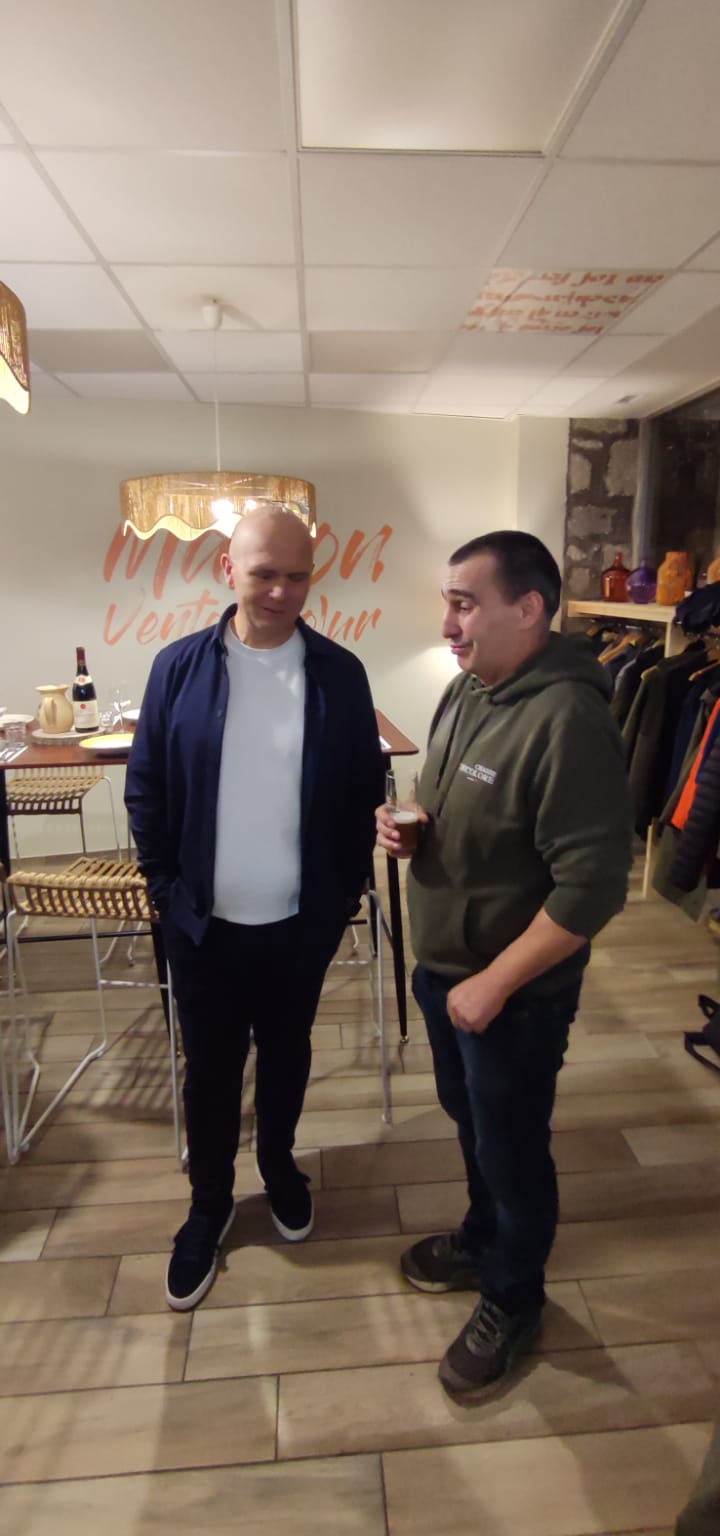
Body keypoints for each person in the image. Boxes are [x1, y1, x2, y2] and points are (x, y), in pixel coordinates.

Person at [376, 530, 633, 1396]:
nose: (447, 623)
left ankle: (514, 1298)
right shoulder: (466, 692)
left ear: (528, 609)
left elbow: (592, 887)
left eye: (464, 603)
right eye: (447, 602)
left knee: (515, 1146)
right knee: (471, 1121)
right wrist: (413, 828)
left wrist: (494, 983)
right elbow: (454, 803)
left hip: (511, 995)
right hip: (448, 974)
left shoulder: (569, 720)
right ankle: (484, 1236)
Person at [126, 507, 384, 1312]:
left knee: (287, 1051)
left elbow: (361, 791)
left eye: (297, 576)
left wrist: (343, 894)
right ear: (228, 571)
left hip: (301, 922)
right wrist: (163, 889)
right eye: (264, 573)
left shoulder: (340, 674)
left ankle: (278, 1165)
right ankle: (208, 1204)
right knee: (209, 1069)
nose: (280, 590)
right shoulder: (177, 668)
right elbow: (146, 786)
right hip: (201, 922)